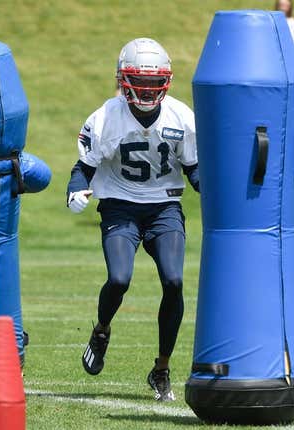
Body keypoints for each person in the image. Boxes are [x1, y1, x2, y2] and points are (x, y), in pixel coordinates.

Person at [66, 38, 199, 402]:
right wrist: (74, 191)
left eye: (155, 82)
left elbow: (194, 169)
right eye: (140, 81)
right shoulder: (106, 117)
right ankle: (102, 330)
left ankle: (161, 369)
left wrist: (216, 189)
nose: (147, 89)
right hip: (120, 205)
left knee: (173, 281)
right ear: (123, 81)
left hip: (164, 207)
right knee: (119, 278)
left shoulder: (182, 117)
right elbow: (84, 168)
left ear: (167, 82)